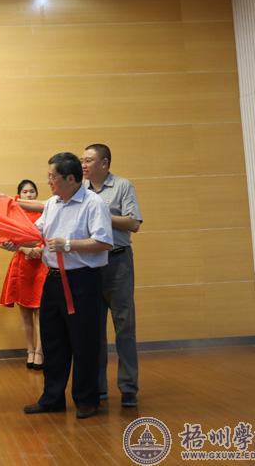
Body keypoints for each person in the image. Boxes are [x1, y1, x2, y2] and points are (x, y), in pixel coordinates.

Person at [18, 152, 113, 419]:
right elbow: (36, 233)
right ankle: (52, 398)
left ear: (71, 178)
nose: (49, 181)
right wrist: (15, 241)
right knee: (53, 340)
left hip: (83, 280)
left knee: (84, 342)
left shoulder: (93, 204)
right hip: (53, 279)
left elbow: (104, 242)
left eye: (53, 177)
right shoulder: (52, 203)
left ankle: (87, 400)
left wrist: (68, 245)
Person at [81, 143, 143, 408]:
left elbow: (133, 223)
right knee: (93, 329)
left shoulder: (122, 186)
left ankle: (128, 387)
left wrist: (101, 213)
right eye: (82, 160)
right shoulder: (80, 189)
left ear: (104, 163)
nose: (83, 165)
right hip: (89, 264)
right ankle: (98, 388)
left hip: (118, 262)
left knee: (124, 327)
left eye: (88, 160)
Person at [0, 180, 48, 370]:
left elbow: (50, 236)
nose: (29, 195)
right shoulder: (14, 214)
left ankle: (40, 352)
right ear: (19, 195)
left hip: (42, 266)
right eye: (25, 192)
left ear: (36, 194)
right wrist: (25, 249)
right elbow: (3, 240)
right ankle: (30, 350)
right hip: (22, 266)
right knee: (26, 313)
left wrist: (40, 250)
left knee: (41, 312)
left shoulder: (45, 211)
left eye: (32, 191)